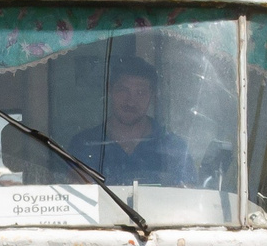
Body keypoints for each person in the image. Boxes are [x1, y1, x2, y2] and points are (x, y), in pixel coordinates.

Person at [67, 54, 195, 185]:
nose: (131, 102)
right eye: (123, 90)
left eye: (140, 92)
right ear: (110, 90)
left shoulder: (173, 149)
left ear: (152, 95)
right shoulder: (85, 145)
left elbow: (187, 198)